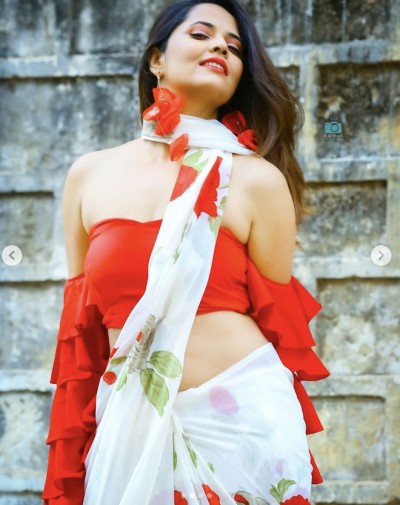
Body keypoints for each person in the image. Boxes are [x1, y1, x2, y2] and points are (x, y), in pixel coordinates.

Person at [43, 0, 330, 504]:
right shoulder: (89, 176)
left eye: (234, 47)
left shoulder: (257, 180)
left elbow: (276, 318)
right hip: (130, 427)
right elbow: (81, 331)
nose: (220, 46)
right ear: (157, 59)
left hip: (240, 424)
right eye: (201, 34)